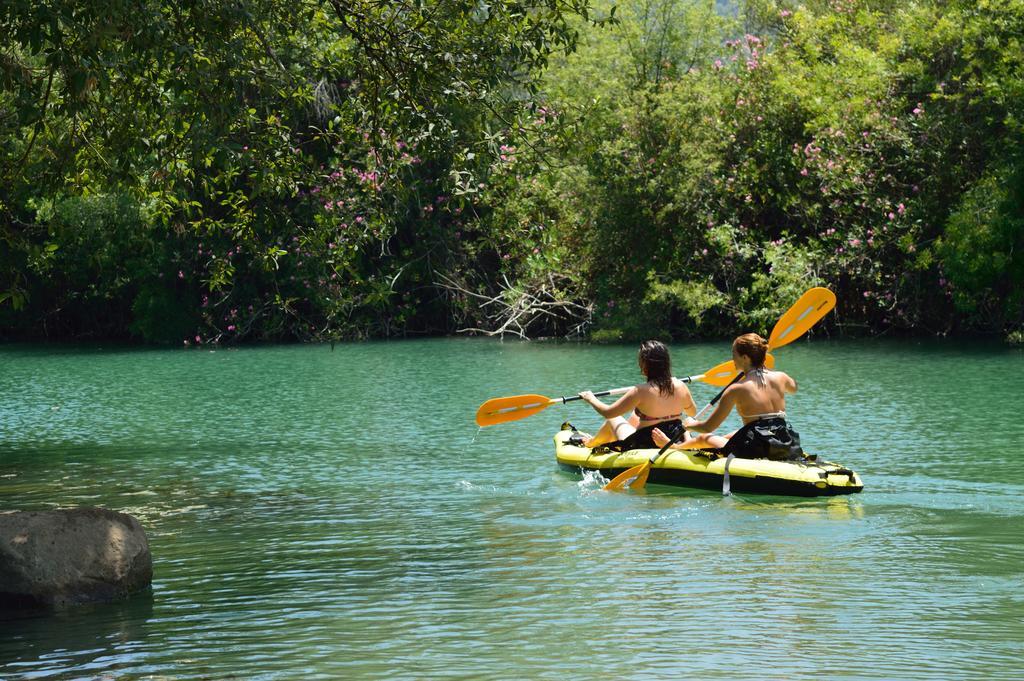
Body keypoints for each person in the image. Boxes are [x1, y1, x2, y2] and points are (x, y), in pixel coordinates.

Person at [652, 333, 803, 459]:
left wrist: (688, 424)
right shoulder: (781, 377)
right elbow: (795, 387)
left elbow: (707, 427)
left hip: (757, 446)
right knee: (733, 434)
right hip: (784, 437)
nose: (732, 359)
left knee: (705, 438)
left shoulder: (736, 389)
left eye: (734, 355)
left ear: (745, 358)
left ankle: (674, 447)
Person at [577, 340, 697, 451]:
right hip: (673, 438)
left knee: (614, 419)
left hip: (645, 443)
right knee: (635, 416)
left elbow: (608, 412)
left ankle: (591, 443)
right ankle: (595, 441)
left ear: (645, 366)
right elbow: (692, 413)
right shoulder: (681, 386)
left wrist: (591, 398)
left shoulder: (639, 391)